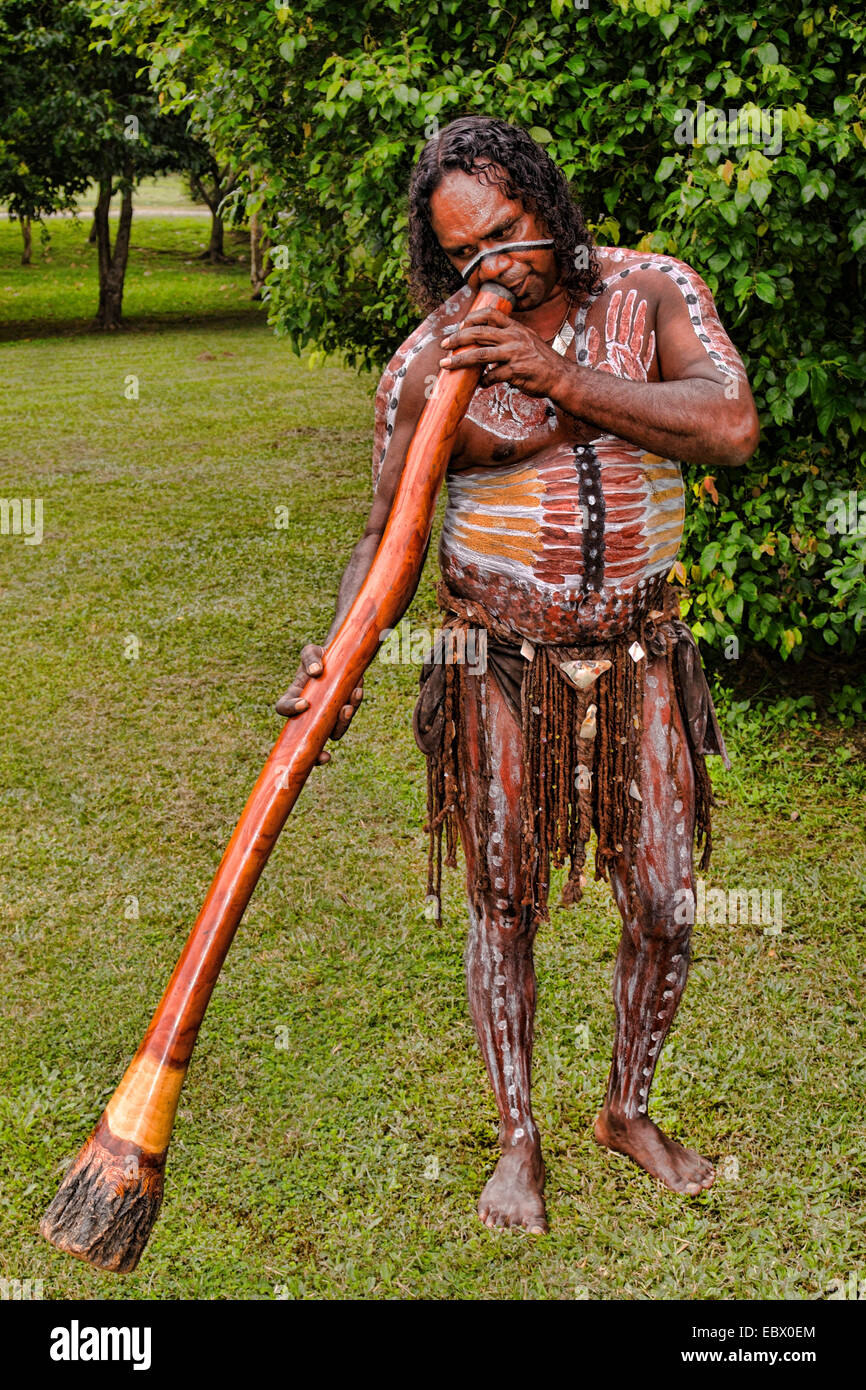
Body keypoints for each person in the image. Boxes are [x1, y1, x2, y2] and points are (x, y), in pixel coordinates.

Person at [276, 116, 759, 1233]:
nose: (490, 268)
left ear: (547, 200)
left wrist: (555, 375)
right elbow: (382, 532)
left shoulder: (651, 297)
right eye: (461, 256)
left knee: (665, 898)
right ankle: (516, 1141)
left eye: (503, 235)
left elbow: (726, 425)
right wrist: (341, 648)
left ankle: (626, 1111)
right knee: (503, 902)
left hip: (641, 651)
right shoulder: (429, 363)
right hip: (499, 660)